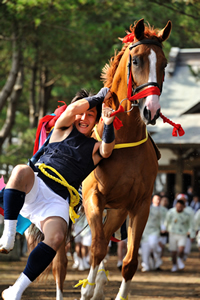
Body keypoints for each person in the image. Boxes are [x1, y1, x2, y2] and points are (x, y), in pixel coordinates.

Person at [0, 87, 115, 300]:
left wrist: (108, 125)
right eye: (82, 113)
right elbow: (73, 109)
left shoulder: (94, 147)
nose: (84, 118)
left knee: (57, 236)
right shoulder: (62, 128)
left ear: (96, 120)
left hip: (58, 200)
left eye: (91, 115)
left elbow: (107, 150)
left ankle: (16, 290)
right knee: (19, 170)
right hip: (37, 183)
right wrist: (98, 97)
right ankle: (8, 235)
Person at [164, 199, 195, 272]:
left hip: (183, 234)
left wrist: (191, 235)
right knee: (173, 251)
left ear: (184, 207)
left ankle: (179, 259)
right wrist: (165, 229)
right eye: (178, 206)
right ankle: (174, 265)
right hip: (172, 233)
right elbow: (166, 222)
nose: (179, 208)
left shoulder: (187, 214)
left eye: (181, 207)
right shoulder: (171, 212)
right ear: (175, 206)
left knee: (181, 249)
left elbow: (191, 225)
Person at [140, 194, 163, 272]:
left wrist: (163, 228)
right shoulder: (143, 208)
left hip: (155, 231)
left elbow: (163, 221)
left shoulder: (162, 210)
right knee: (145, 250)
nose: (158, 201)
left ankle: (157, 262)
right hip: (145, 232)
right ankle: (146, 265)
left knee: (153, 245)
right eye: (156, 199)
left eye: (159, 199)